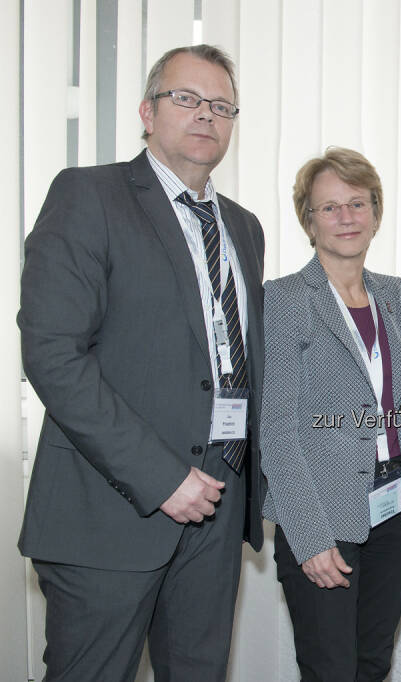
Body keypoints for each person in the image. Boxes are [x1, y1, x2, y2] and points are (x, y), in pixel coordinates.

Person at [17, 45, 265, 680]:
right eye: (186, 99)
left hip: (218, 506)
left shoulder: (244, 228)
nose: (205, 115)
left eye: (221, 106)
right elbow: (53, 356)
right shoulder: (88, 195)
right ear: (147, 113)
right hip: (113, 509)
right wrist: (162, 478)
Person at [261, 147, 401, 681]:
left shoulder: (395, 295)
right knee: (331, 670)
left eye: (357, 203)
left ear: (376, 212)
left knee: (373, 663)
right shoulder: (283, 299)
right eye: (329, 208)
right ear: (308, 221)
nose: (346, 217)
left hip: (391, 513)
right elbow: (276, 431)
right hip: (323, 515)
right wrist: (309, 536)